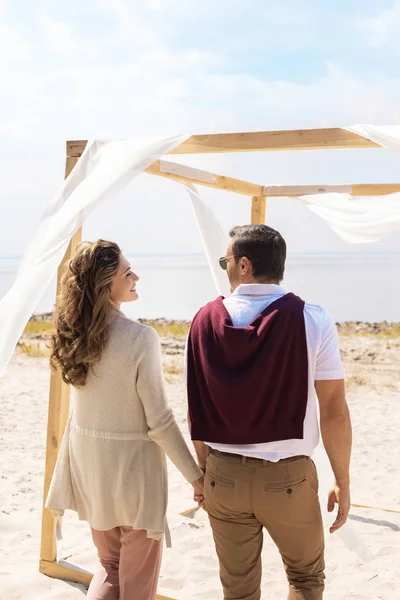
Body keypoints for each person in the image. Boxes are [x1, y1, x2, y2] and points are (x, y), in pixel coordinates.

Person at [187, 225, 352, 600]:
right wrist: (342, 478)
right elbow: (334, 410)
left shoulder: (202, 321)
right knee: (306, 580)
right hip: (288, 478)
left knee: (238, 591)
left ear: (243, 265)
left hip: (223, 475)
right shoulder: (313, 318)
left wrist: (204, 469)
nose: (224, 268)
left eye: (224, 261)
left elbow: (196, 404)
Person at [46, 239, 204, 600]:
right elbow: (160, 421)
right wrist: (196, 476)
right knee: (136, 586)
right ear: (105, 283)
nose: (136, 276)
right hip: (134, 480)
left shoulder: (72, 333)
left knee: (110, 568)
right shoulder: (139, 338)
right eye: (126, 272)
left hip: (91, 470)